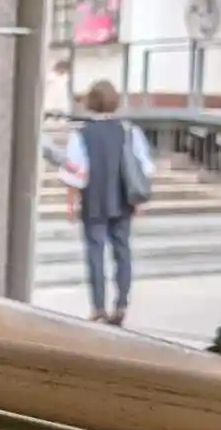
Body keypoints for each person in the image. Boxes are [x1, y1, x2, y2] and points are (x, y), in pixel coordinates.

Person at [59, 79, 154, 325]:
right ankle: (121, 303)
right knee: (122, 252)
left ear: (90, 102)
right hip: (123, 200)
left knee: (95, 253)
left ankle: (98, 306)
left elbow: (75, 172)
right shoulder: (130, 131)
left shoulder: (81, 134)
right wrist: (139, 201)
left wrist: (71, 202)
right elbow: (143, 167)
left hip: (93, 201)